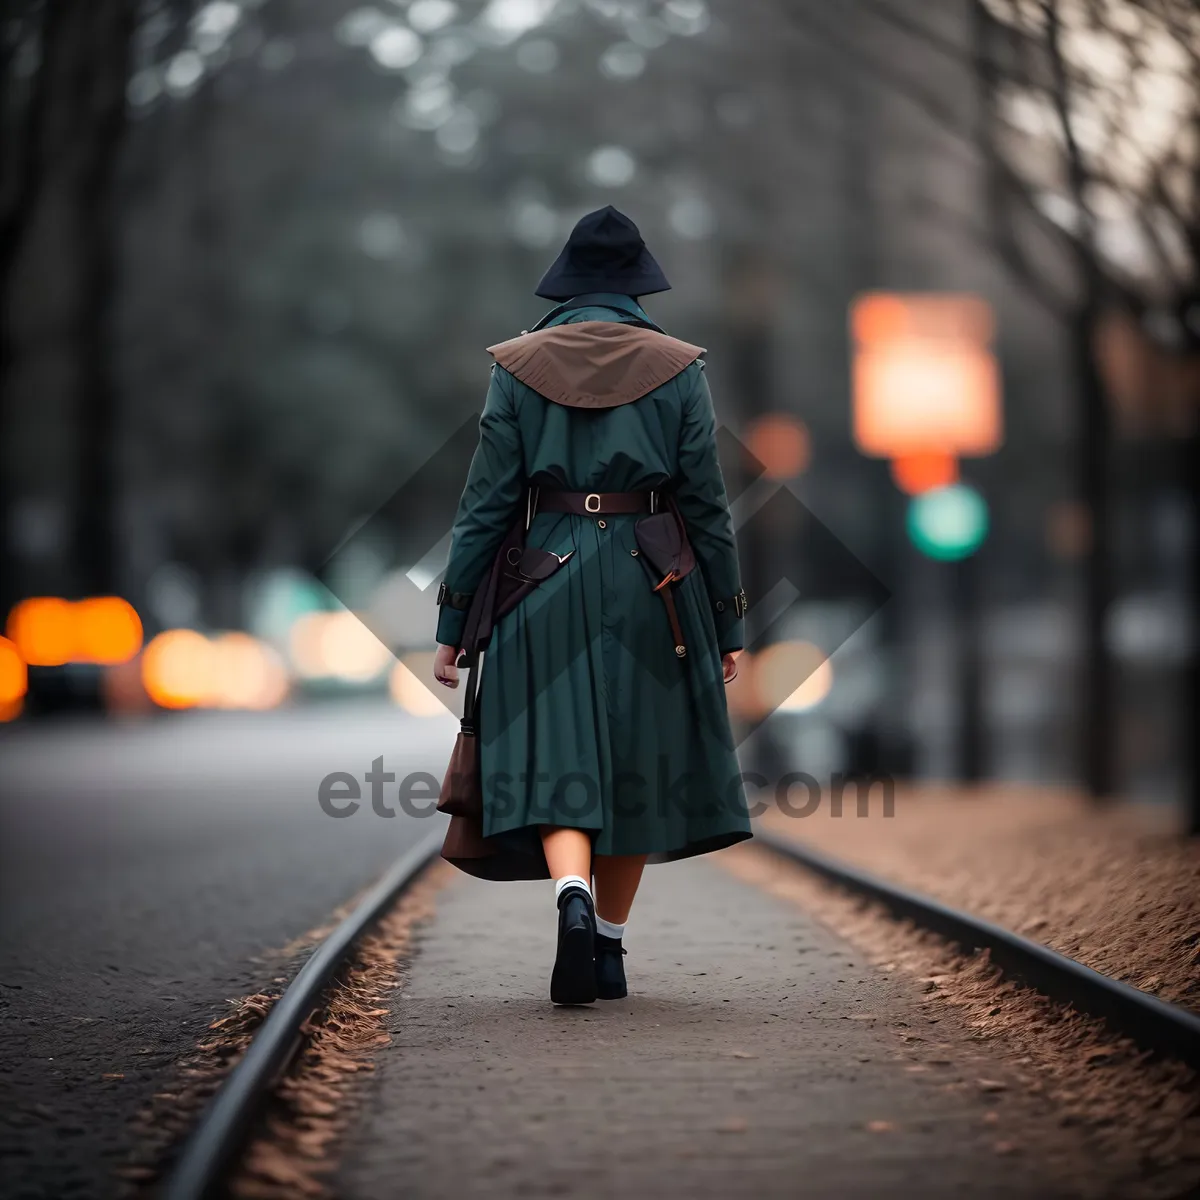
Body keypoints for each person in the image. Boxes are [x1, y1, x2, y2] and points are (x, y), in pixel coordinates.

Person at [432, 205, 751, 1005]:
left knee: (560, 757)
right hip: (655, 582)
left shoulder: (516, 365)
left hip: (543, 574)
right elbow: (707, 508)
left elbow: (485, 505)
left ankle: (568, 896)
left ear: (566, 284)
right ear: (639, 282)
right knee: (635, 763)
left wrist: (454, 622)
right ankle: (607, 948)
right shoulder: (680, 367)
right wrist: (727, 621)